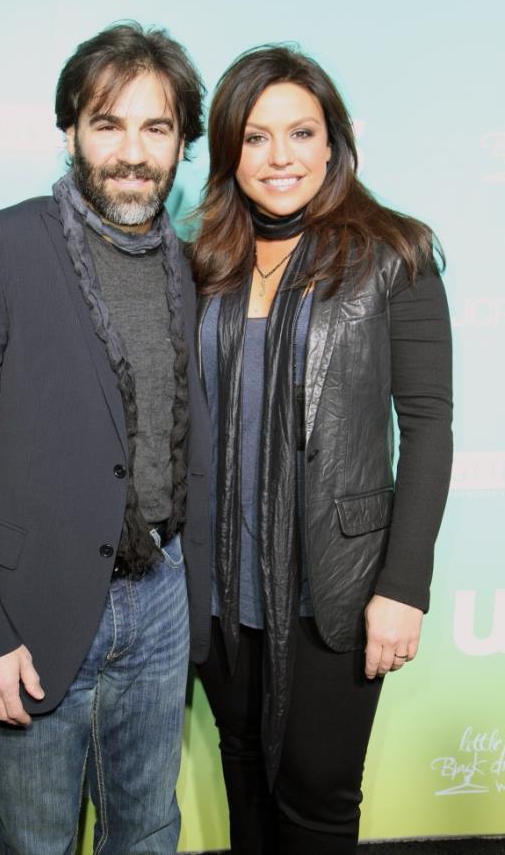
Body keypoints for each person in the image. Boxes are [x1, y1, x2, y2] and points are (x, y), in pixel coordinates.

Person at [0, 21, 211, 855]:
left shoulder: (190, 268)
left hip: (160, 600)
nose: (132, 151)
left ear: (182, 142)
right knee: (39, 840)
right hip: (28, 611)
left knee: (148, 829)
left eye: (156, 127)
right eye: (107, 123)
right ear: (70, 130)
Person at [191, 45, 452, 855]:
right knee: (243, 777)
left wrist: (403, 585)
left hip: (336, 587)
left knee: (318, 800)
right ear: (229, 148)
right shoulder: (205, 262)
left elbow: (431, 424)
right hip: (221, 589)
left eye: (300, 133)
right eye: (257, 137)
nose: (280, 158)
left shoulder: (394, 254)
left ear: (334, 143)